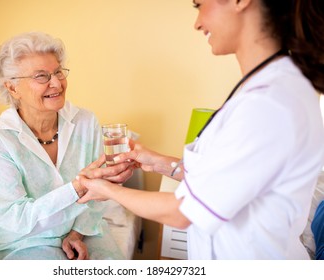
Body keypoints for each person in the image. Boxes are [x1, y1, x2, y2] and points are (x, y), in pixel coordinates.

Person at [77, 0, 324, 259]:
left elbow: (182, 212)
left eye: (199, 5)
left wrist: (106, 190)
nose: (197, 23)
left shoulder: (268, 103)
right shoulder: (268, 89)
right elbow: (227, 179)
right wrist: (159, 162)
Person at [0, 31, 130, 260]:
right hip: (23, 241)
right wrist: (77, 187)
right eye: (41, 76)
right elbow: (14, 217)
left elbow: (99, 190)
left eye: (58, 71)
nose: (57, 83)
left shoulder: (85, 122)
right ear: (12, 88)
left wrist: (77, 233)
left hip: (83, 229)